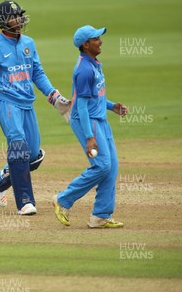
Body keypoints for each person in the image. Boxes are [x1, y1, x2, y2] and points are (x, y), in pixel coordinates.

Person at [0, 0, 71, 215]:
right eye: (14, 17)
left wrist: (54, 96)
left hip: (27, 103)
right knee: (18, 148)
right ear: (2, 22)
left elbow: (37, 73)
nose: (20, 20)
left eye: (20, 15)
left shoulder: (29, 43)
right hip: (6, 102)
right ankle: (25, 202)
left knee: (33, 155)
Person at [52, 25, 127, 228]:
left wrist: (112, 107)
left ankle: (100, 216)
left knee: (111, 167)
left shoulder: (93, 64)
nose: (100, 41)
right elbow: (82, 106)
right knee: (102, 165)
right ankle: (63, 199)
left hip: (99, 119)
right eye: (96, 38)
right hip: (87, 121)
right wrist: (89, 137)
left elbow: (96, 96)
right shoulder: (84, 70)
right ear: (86, 44)